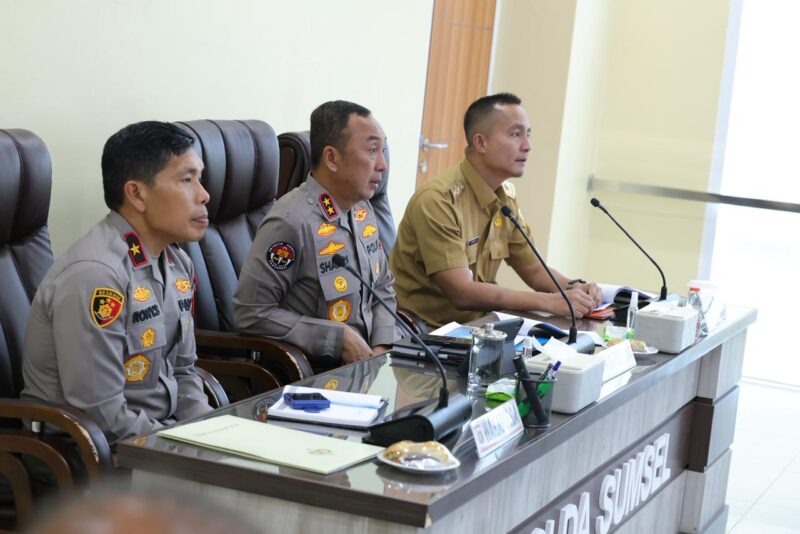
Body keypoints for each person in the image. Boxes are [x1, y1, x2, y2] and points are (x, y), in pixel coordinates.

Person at [21, 121, 214, 443]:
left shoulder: (178, 263)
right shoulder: (96, 275)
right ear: (137, 193)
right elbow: (98, 411)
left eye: (200, 178)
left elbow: (184, 372)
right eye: (187, 179)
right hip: (86, 455)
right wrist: (184, 450)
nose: (204, 195)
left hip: (154, 438)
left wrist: (214, 434)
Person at [390, 93, 602, 329]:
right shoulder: (439, 200)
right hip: (425, 335)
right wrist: (551, 302)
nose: (527, 146)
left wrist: (574, 288)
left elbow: (532, 269)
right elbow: (462, 292)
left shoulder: (505, 198)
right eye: (515, 134)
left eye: (528, 134)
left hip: (481, 328)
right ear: (481, 142)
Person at [234, 100, 399, 369]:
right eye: (371, 151)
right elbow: (251, 313)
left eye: (383, 150)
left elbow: (382, 287)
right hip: (314, 377)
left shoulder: (362, 209)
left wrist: (381, 348)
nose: (382, 165)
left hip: (368, 367)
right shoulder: (290, 222)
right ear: (332, 158)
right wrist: (336, 338)